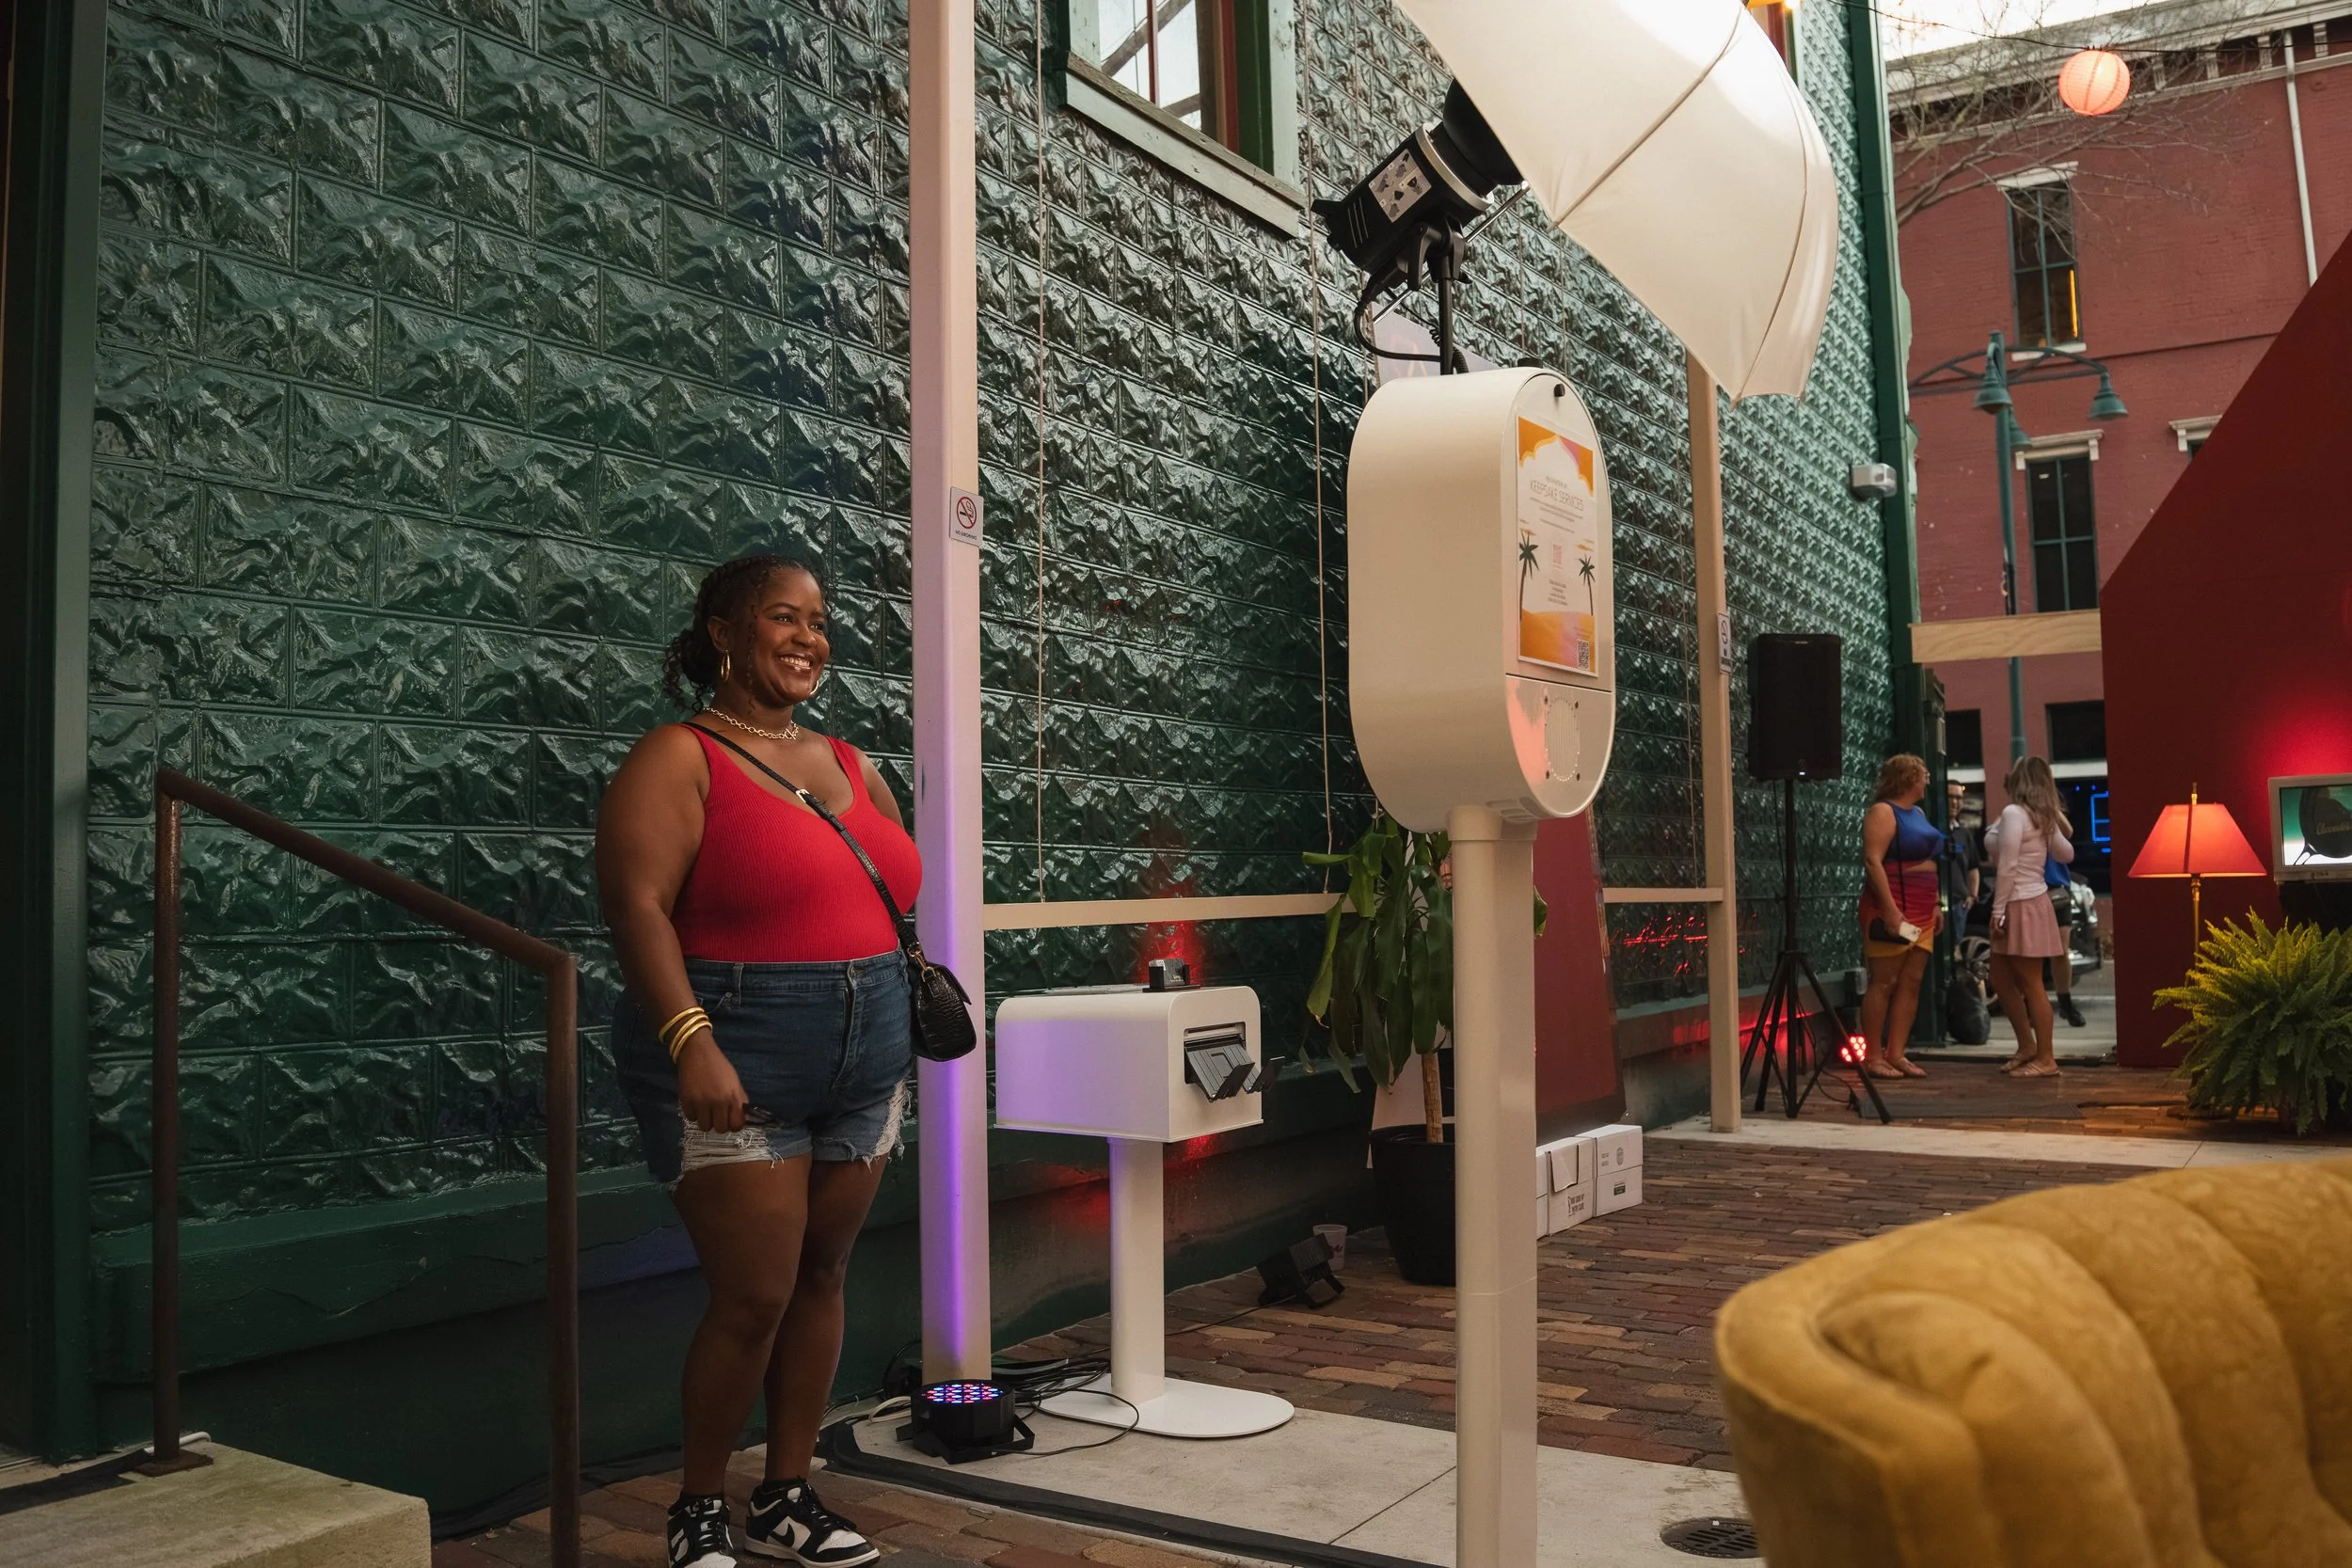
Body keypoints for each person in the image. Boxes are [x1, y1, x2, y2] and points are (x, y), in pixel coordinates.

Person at [598, 554, 914, 1568]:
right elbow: (635, 905)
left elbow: (891, 893)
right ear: (725, 632)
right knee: (754, 1293)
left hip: (866, 1057)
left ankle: (786, 1493)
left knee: (822, 1271)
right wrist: (690, 1037)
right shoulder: (680, 754)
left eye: (819, 621)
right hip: (738, 1047)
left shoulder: (857, 764)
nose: (808, 638)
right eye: (785, 617)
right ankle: (697, 1506)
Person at [1987, 755, 2074, 1078]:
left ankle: (2046, 1058)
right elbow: (2067, 854)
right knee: (2002, 978)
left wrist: (1998, 910)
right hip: (2033, 901)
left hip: (2018, 903)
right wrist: (2051, 821)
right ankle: (2028, 1046)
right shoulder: (2037, 817)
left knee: (2029, 982)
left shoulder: (2014, 813)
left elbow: (2007, 864)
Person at [1857, 753, 1943, 1079]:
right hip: (1893, 909)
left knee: (1912, 981)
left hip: (1922, 912)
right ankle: (1874, 1056)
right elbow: (1872, 860)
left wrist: (1936, 904)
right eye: (1923, 774)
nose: (1927, 780)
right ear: (1907, 778)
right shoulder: (1883, 812)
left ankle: (1897, 1053)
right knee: (1885, 981)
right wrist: (1891, 910)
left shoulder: (1917, 812)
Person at [1942, 780, 1981, 947]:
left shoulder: (1964, 834)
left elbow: (1973, 867)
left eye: (1958, 798)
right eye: (1950, 797)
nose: (1954, 802)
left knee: (1954, 952)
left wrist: (1972, 895)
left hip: (1959, 906)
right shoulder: (1931, 830)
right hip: (1935, 905)